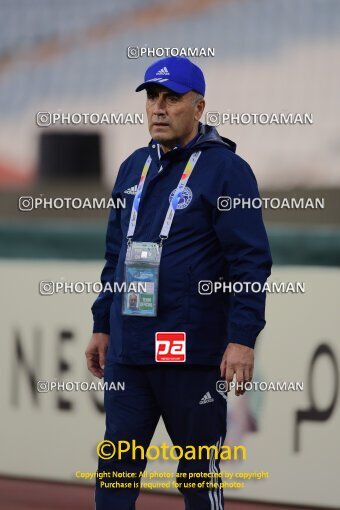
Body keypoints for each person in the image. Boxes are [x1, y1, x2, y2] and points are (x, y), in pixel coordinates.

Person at [86, 56, 272, 510]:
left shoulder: (226, 170)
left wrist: (242, 339)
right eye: (152, 97)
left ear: (199, 106)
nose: (159, 108)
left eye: (172, 98)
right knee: (115, 470)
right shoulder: (133, 168)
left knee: (196, 474)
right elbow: (117, 255)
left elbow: (250, 261)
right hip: (129, 351)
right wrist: (102, 323)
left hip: (189, 352)